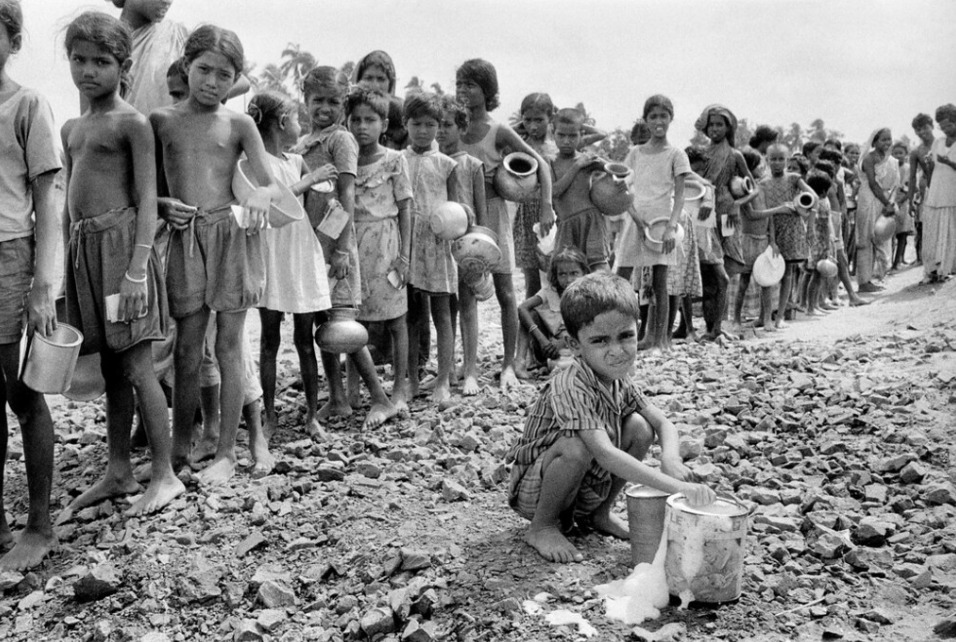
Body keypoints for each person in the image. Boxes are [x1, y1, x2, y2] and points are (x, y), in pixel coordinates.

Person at [60, 11, 185, 521]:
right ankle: (117, 470)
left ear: (123, 66)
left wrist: (137, 268)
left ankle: (165, 474)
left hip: (122, 255)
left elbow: (147, 199)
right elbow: (68, 201)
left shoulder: (132, 123)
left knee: (136, 363)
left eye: (101, 61)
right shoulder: (72, 127)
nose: (88, 71)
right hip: (84, 252)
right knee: (110, 364)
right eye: (79, 60)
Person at [506, 272, 715, 563]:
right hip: (536, 490)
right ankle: (542, 526)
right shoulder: (570, 382)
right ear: (575, 344)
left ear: (637, 330)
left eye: (626, 336)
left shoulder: (618, 379)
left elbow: (662, 423)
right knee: (575, 446)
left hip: (582, 486)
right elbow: (604, 453)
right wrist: (679, 488)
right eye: (600, 341)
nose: (616, 351)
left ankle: (598, 514)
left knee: (640, 428)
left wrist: (671, 459)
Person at [151, 24, 279, 484]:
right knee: (186, 349)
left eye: (224, 75)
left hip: (230, 235)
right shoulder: (161, 121)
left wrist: (262, 195)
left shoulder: (240, 124)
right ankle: (181, 449)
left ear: (234, 79)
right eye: (204, 70)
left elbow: (268, 182)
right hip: (185, 238)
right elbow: (149, 189)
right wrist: (164, 206)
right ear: (186, 66)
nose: (211, 82)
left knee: (228, 345)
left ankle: (226, 451)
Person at [294, 66, 400, 429]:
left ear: (343, 103)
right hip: (309, 248)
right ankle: (338, 398)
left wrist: (340, 247)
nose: (324, 107)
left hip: (336, 247)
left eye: (333, 101)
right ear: (305, 100)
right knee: (324, 325)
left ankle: (381, 399)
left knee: (345, 327)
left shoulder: (341, 140)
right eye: (317, 100)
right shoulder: (303, 143)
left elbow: (347, 193)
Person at [0, 0, 58, 571]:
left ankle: (39, 524)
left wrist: (44, 284)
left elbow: (48, 203)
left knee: (19, 388)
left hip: (10, 253)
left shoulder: (27, 105)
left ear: (13, 40)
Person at [457, 58, 555, 393]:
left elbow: (539, 162)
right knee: (467, 292)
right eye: (460, 84)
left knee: (505, 292)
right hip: (462, 215)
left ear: (487, 90)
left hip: (496, 214)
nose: (463, 91)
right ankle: (469, 368)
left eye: (471, 84)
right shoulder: (454, 128)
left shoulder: (499, 130)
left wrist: (545, 205)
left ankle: (509, 364)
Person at [251, 90, 334, 459]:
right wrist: (308, 179)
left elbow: (322, 204)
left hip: (299, 249)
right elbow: (269, 201)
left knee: (305, 338)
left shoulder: (297, 160)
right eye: (296, 118)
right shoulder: (256, 161)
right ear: (282, 123)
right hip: (271, 248)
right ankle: (269, 415)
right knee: (269, 338)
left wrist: (336, 239)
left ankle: (312, 415)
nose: (300, 124)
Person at [346, 87, 413, 409]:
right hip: (352, 245)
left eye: (370, 120)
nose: (362, 126)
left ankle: (399, 388)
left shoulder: (394, 160)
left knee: (395, 320)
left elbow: (406, 208)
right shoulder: (343, 160)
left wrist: (405, 255)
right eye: (356, 119)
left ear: (384, 124)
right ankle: (353, 390)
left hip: (386, 246)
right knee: (352, 320)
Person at [403, 92, 460, 403]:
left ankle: (442, 380)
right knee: (411, 315)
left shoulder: (446, 164)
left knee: (442, 314)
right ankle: (411, 379)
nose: (423, 131)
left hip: (438, 245)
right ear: (405, 124)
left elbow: (458, 208)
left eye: (430, 124)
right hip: (408, 244)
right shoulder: (398, 159)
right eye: (416, 124)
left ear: (439, 126)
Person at [622, 95, 690, 350]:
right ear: (646, 120)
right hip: (636, 220)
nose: (658, 121)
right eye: (653, 116)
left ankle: (660, 339)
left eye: (663, 116)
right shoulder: (635, 153)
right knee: (622, 276)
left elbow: (681, 196)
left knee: (660, 282)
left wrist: (672, 228)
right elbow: (622, 188)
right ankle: (623, 335)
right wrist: (636, 219)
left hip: (662, 221)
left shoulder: (676, 154)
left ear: (671, 118)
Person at [436, 94, 486, 395]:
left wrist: (479, 251)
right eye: (438, 125)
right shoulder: (432, 162)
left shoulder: (472, 164)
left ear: (461, 127)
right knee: (444, 309)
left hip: (466, 243)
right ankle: (447, 369)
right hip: (438, 243)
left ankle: (470, 371)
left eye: (448, 125)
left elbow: (480, 212)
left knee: (467, 305)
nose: (442, 131)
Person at [694, 104, 755, 341]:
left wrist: (739, 203)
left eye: (720, 124)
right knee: (707, 268)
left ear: (728, 128)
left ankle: (719, 325)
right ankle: (709, 324)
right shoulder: (702, 154)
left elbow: (753, 187)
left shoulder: (735, 155)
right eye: (712, 125)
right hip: (705, 214)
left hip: (728, 215)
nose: (715, 129)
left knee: (726, 268)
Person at [551, 108, 610, 272]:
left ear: (581, 135)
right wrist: (576, 166)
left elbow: (618, 170)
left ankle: (610, 297)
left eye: (572, 136)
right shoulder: (549, 161)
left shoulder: (587, 158)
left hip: (591, 220)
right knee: (566, 269)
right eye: (561, 135)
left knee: (598, 266)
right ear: (553, 133)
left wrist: (622, 181)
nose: (566, 141)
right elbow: (554, 192)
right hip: (566, 224)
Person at [760, 144, 811, 329]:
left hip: (792, 228)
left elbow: (812, 196)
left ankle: (780, 316)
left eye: (781, 158)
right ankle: (766, 318)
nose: (777, 162)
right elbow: (764, 211)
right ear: (767, 160)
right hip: (771, 228)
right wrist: (772, 239)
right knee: (767, 274)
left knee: (787, 273)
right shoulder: (763, 183)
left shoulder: (794, 179)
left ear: (787, 160)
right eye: (773, 158)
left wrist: (801, 209)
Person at [514, 93, 558, 300]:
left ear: (550, 118)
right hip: (526, 216)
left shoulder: (557, 145)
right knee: (531, 278)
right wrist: (517, 129)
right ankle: (532, 328)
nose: (533, 126)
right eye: (527, 120)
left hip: (554, 214)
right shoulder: (519, 144)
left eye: (539, 120)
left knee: (557, 273)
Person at [517, 247, 587, 368]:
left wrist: (564, 342)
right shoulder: (550, 291)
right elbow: (522, 308)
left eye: (574, 273)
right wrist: (542, 340)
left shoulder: (589, 294)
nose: (569, 280)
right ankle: (520, 361)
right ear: (556, 276)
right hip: (550, 348)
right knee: (529, 315)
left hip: (578, 346)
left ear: (584, 273)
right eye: (562, 274)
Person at [856, 128, 900, 293]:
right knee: (866, 238)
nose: (887, 143)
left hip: (884, 199)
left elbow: (894, 184)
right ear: (874, 141)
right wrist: (886, 202)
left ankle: (877, 275)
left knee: (882, 235)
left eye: (889, 139)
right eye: (883, 140)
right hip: (870, 199)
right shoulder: (869, 158)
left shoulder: (890, 160)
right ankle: (863, 281)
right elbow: (873, 184)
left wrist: (890, 202)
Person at [921, 104, 956, 282]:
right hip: (936, 189)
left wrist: (949, 162)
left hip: (952, 192)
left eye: (949, 125)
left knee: (949, 229)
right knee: (934, 229)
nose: (946, 129)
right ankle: (933, 268)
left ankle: (947, 267)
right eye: (942, 126)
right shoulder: (938, 142)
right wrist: (929, 165)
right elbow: (932, 168)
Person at [803, 170, 835, 316]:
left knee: (814, 274)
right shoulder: (822, 203)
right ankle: (811, 307)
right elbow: (824, 226)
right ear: (823, 191)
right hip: (819, 243)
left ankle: (813, 305)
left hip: (812, 243)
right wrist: (828, 244)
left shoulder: (811, 203)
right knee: (816, 275)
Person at [908, 114, 936, 265]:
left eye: (925, 127)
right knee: (929, 228)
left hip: (949, 189)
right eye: (918, 129)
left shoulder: (944, 144)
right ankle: (932, 265)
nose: (922, 132)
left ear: (931, 126)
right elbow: (912, 178)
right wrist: (910, 200)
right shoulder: (916, 151)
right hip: (930, 192)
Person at [890, 141, 914, 270]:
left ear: (906, 154)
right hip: (890, 201)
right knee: (890, 232)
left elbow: (911, 187)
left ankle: (897, 262)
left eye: (900, 153)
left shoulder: (908, 168)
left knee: (902, 233)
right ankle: (891, 260)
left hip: (903, 201)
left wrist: (901, 200)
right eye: (895, 153)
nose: (898, 155)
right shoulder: (890, 166)